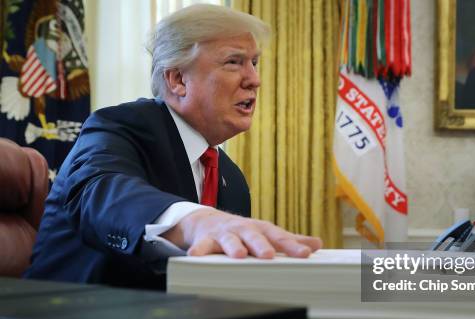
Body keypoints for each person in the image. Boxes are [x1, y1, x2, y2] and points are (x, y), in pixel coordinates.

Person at [25, 5, 322, 289]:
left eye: (254, 63)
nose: (254, 80)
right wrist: (195, 223)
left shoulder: (233, 182)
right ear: (178, 79)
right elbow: (101, 191)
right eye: (234, 62)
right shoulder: (119, 127)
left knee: (349, 316)